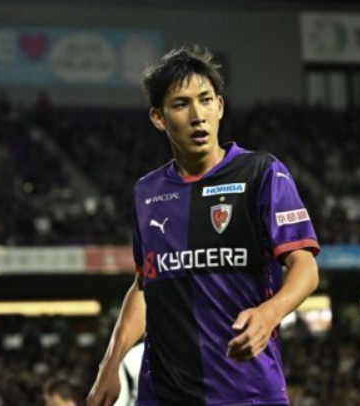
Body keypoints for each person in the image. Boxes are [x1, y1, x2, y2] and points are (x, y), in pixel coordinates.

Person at [87, 45, 320, 406]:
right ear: (158, 118)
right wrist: (110, 363)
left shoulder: (261, 173)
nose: (198, 116)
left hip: (248, 394)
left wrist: (269, 313)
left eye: (206, 100)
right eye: (181, 104)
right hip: (163, 395)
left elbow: (305, 266)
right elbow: (144, 285)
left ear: (220, 107)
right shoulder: (147, 192)